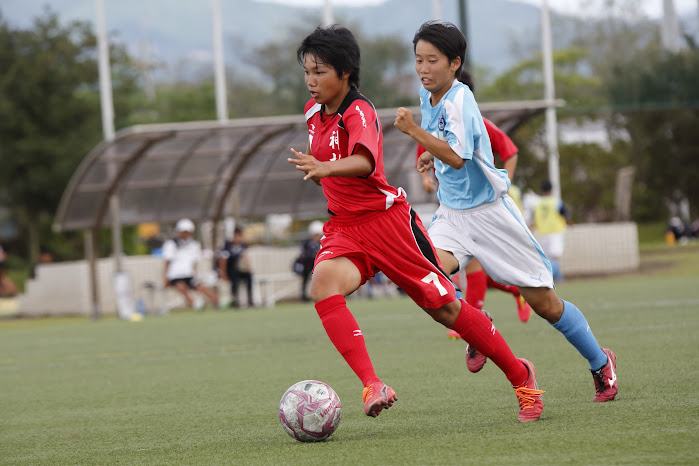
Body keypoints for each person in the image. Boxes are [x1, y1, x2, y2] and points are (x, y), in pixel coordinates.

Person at [288, 24, 544, 422]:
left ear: (345, 72)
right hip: (345, 228)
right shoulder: (311, 112)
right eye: (306, 71)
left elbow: (366, 163)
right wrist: (324, 169)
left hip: (388, 225)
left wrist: (325, 167)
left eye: (319, 71)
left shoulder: (361, 111)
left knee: (445, 309)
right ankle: (373, 384)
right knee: (323, 285)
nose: (310, 80)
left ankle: (521, 378)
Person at [394, 20, 617, 402]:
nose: (423, 69)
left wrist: (417, 135)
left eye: (432, 60)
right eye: (418, 60)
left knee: (545, 304)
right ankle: (480, 328)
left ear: (454, 63)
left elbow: (461, 158)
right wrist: (430, 155)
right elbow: (446, 143)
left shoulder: (463, 99)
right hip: (453, 214)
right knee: (424, 272)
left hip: (491, 214)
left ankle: (600, 363)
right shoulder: (425, 95)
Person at [418, 69, 532, 327]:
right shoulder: (433, 124)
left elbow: (510, 152)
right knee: (465, 268)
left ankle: (475, 324)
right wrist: (425, 177)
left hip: (484, 208)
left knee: (478, 269)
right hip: (451, 206)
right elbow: (425, 154)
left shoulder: (477, 122)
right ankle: (483, 318)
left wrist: (505, 185)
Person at [162, 218, 219, 309]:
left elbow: (194, 261)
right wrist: (166, 277)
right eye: (183, 231)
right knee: (181, 287)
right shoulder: (171, 244)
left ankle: (219, 301)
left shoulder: (194, 244)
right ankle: (194, 304)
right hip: (175, 275)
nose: (185, 234)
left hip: (188, 273)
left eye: (187, 232)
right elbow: (168, 261)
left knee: (200, 287)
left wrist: (194, 273)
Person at [532, 180, 572, 283]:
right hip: (555, 232)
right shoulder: (556, 202)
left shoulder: (538, 204)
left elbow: (534, 220)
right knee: (555, 257)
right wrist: (570, 223)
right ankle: (554, 278)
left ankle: (554, 278)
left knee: (547, 258)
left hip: (543, 233)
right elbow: (565, 214)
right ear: (551, 190)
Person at [218, 227, 254, 308]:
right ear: (234, 236)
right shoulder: (227, 246)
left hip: (237, 269)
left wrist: (248, 268)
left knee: (249, 277)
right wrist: (222, 273)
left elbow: (245, 256)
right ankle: (234, 300)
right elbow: (223, 260)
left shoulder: (242, 245)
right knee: (235, 280)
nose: (239, 238)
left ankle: (250, 300)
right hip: (228, 270)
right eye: (237, 236)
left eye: (240, 236)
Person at [294, 221, 323, 302]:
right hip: (308, 266)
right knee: (305, 276)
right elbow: (303, 256)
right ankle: (304, 296)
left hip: (320, 266)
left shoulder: (324, 242)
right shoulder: (307, 243)